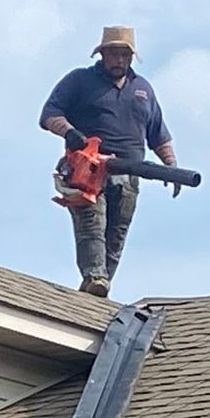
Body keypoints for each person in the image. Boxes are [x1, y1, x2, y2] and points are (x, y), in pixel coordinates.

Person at [39, 26, 178, 296]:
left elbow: (158, 134)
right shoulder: (80, 81)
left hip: (129, 173)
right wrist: (70, 132)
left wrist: (171, 168)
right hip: (88, 168)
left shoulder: (143, 90)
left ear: (131, 57)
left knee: (116, 234)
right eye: (113, 54)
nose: (119, 60)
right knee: (92, 223)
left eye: (124, 55)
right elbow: (49, 114)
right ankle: (95, 277)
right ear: (102, 54)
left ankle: (100, 287)